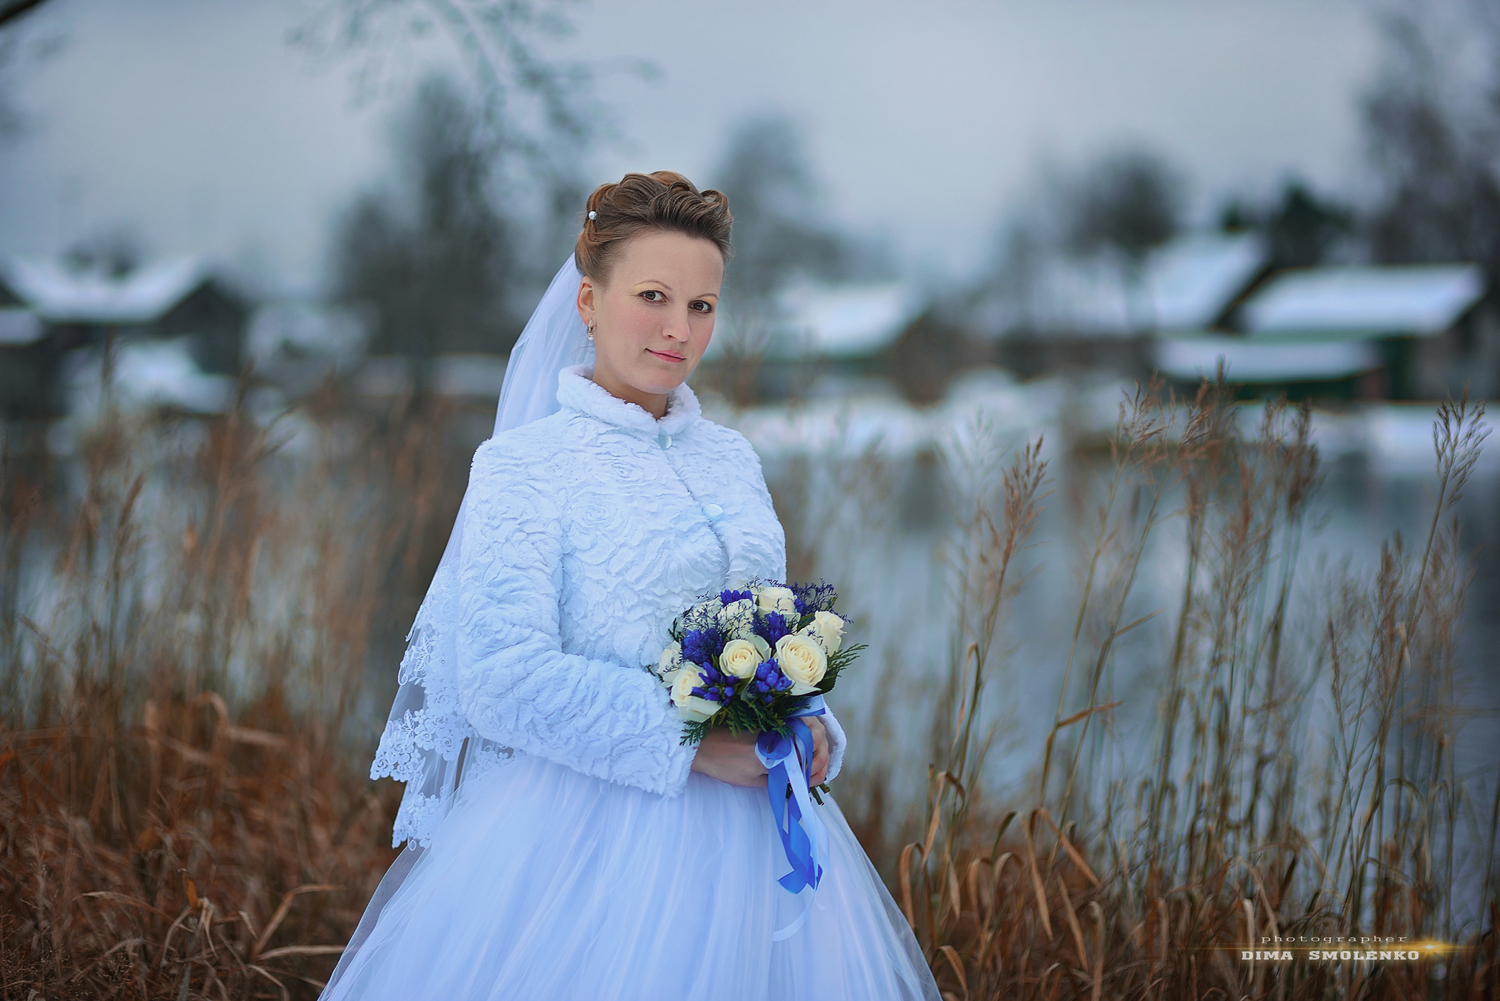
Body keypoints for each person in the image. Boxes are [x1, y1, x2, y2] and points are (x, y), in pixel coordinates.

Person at [319, 171, 940, 1001]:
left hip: (761, 844)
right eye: (653, 296)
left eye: (702, 305)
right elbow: (500, 677)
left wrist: (808, 716)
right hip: (584, 850)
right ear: (587, 303)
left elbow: (758, 626)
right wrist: (691, 745)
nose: (679, 329)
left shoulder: (733, 457)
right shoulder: (524, 468)